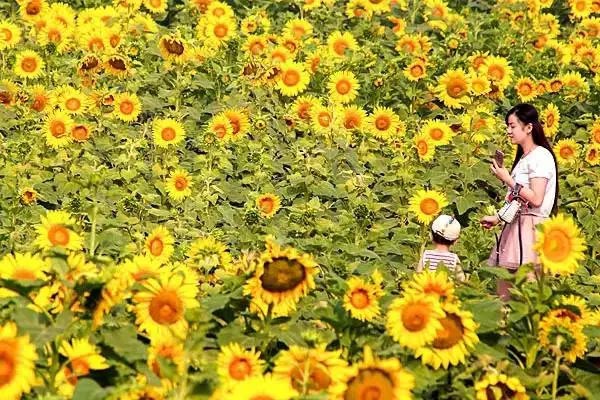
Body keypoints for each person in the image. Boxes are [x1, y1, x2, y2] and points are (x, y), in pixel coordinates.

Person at [480, 103, 558, 300]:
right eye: (508, 126)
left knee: (529, 293)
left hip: (532, 229)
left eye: (512, 126)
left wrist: (508, 179)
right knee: (504, 293)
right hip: (516, 226)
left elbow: (536, 199)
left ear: (529, 127)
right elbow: (518, 201)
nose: (508, 131)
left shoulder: (540, 156)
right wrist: (498, 218)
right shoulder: (525, 158)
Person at [417, 214, 465, 281]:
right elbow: (461, 280)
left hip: (428, 286)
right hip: (445, 287)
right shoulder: (454, 259)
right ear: (455, 241)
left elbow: (418, 275)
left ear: (431, 236)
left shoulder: (426, 255)